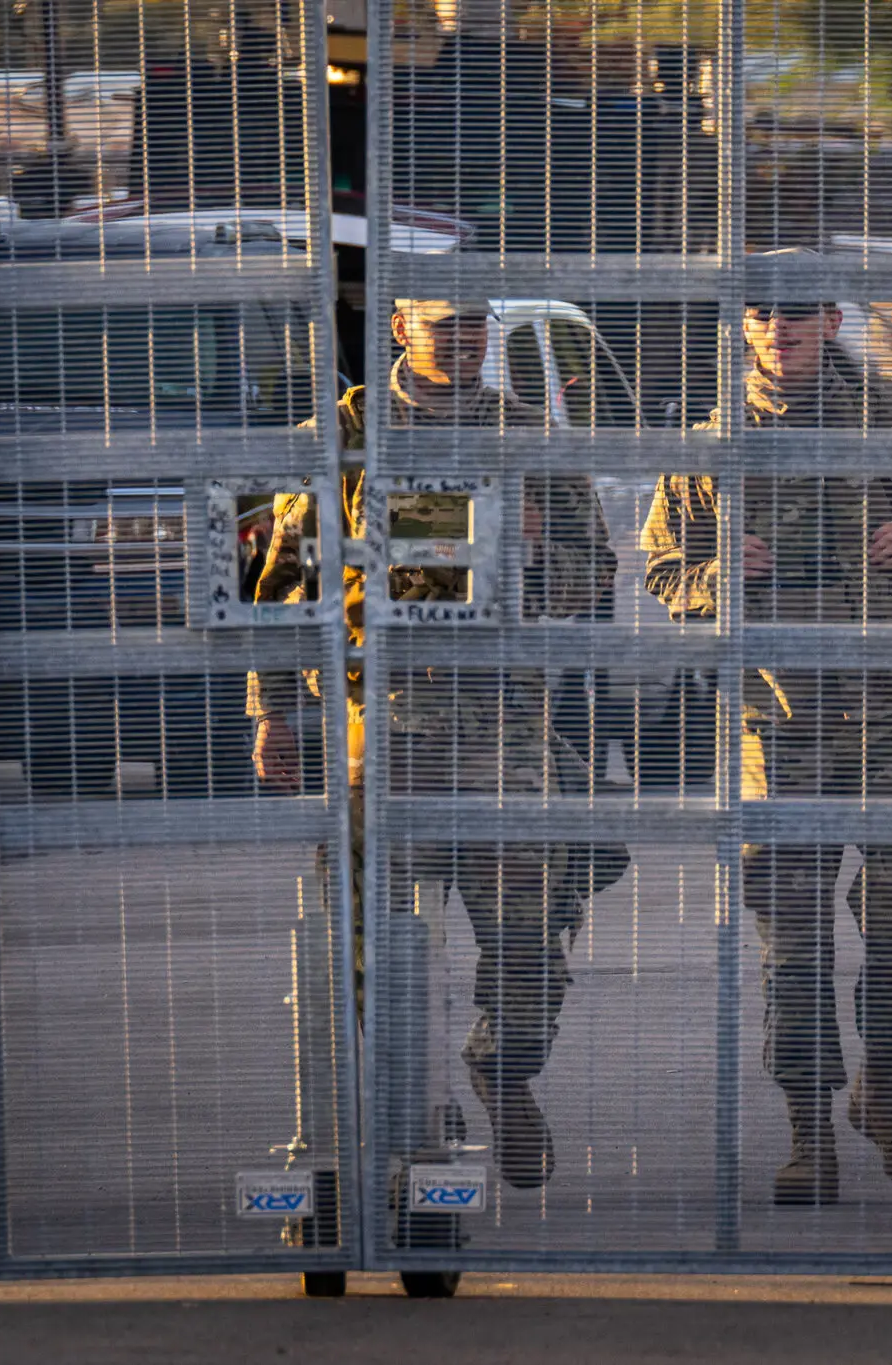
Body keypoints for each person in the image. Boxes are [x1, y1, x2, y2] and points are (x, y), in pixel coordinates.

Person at [250, 297, 621, 1191]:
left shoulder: (530, 436)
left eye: (476, 322)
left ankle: (503, 1069)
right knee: (371, 947)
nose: (463, 337)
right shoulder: (342, 434)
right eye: (444, 321)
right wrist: (272, 710)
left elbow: (597, 571)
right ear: (399, 326)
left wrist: (532, 553)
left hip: (503, 728)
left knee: (530, 940)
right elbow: (284, 579)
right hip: (377, 730)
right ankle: (403, 1112)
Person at [641, 274, 892, 1204]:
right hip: (775, 729)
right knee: (793, 946)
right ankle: (809, 1133)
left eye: (797, 311)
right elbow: (663, 569)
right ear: (742, 324)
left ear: (832, 320)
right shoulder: (710, 444)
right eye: (761, 312)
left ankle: (884, 1089)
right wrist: (716, 574)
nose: (778, 327)